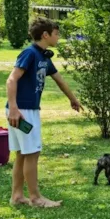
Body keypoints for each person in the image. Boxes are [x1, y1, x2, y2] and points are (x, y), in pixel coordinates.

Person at [6, 17, 82, 207]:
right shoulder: (30, 53)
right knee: (32, 152)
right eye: (56, 34)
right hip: (23, 110)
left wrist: (72, 99)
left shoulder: (43, 56)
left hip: (24, 109)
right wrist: (14, 109)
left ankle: (17, 196)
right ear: (45, 35)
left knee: (22, 154)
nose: (58, 37)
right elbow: (11, 80)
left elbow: (59, 79)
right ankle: (36, 198)